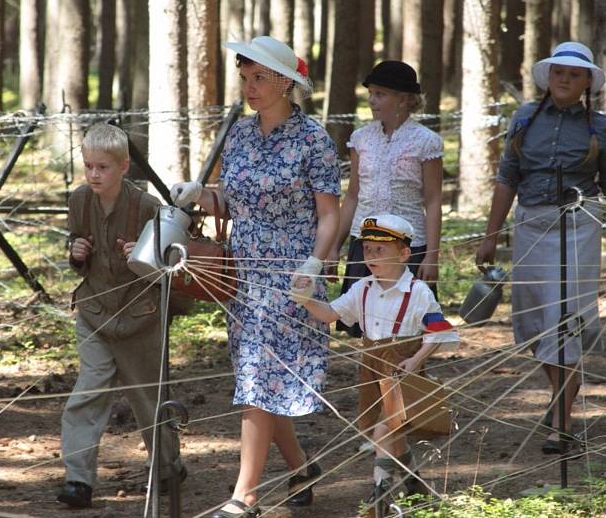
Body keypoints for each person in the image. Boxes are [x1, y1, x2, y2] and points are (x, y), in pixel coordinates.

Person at [170, 35, 340, 517]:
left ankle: (244, 496)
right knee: (260, 376)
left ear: (287, 82)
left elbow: (330, 213)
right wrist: (200, 195)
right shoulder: (237, 135)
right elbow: (233, 201)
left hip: (291, 271)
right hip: (241, 270)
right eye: (245, 77)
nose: (250, 87)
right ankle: (302, 467)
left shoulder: (314, 139)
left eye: (260, 78)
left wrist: (315, 263)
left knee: (257, 376)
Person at [475, 42, 606, 454]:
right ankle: (560, 395)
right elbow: (507, 178)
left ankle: (563, 421)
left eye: (574, 73)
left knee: (566, 317)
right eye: (558, 72)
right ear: (548, 76)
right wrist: (491, 234)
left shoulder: (598, 126)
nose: (564, 78)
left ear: (587, 81)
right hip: (531, 225)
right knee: (535, 320)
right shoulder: (524, 118)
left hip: (577, 228)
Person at [292, 214, 458, 515]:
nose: (371, 256)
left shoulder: (418, 291)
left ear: (404, 253)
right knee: (386, 434)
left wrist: (416, 359)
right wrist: (304, 299)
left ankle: (379, 498)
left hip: (401, 370)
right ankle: (416, 486)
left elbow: (440, 332)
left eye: (380, 250)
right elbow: (330, 314)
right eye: (367, 249)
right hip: (370, 370)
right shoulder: (362, 288)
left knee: (385, 429)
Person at [58, 123, 184, 508]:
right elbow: (76, 244)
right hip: (95, 312)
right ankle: (78, 480)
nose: (94, 174)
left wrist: (145, 255)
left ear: (124, 166)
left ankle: (168, 468)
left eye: (103, 167)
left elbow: (173, 263)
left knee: (149, 399)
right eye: (89, 166)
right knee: (88, 393)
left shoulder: (148, 207)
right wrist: (76, 251)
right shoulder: (79, 199)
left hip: (141, 316)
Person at [329, 60, 444, 339]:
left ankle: (408, 380)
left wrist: (432, 255)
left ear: (403, 99)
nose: (372, 100)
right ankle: (369, 382)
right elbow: (353, 195)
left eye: (380, 94)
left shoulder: (425, 141)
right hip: (365, 244)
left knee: (409, 328)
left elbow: (432, 200)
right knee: (367, 327)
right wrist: (335, 247)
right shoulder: (361, 139)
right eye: (370, 93)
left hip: (408, 247)